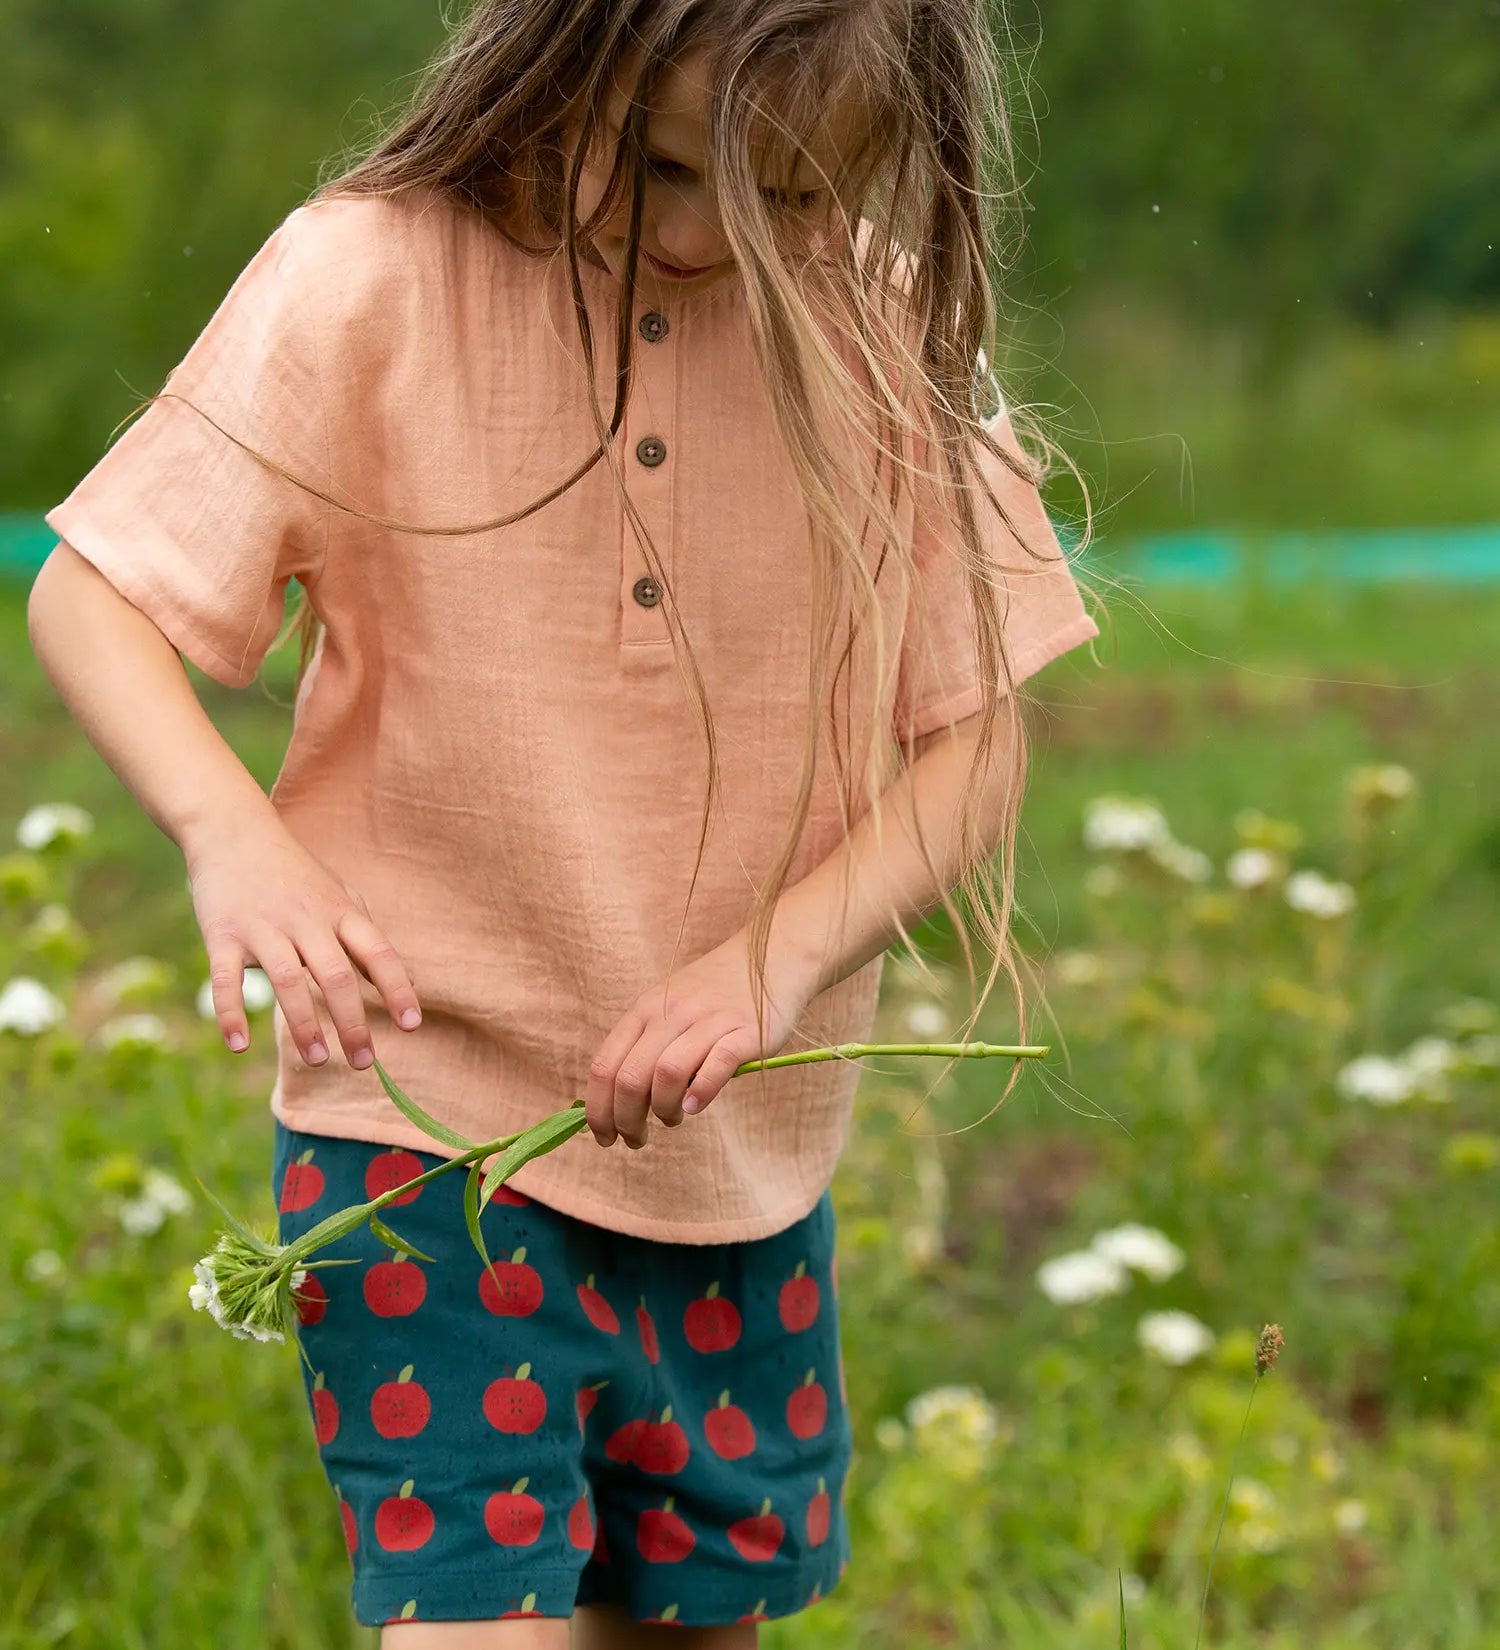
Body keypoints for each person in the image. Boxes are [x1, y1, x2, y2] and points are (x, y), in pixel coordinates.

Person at [29, 0, 1100, 1643]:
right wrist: (226, 832)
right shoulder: (370, 275)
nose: (699, 238)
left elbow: (979, 749)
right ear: (572, 66)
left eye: (786, 200)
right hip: (420, 1125)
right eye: (664, 166)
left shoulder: (879, 325)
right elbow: (94, 594)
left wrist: (772, 962)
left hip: (735, 1171)